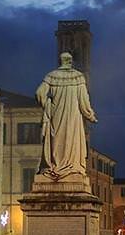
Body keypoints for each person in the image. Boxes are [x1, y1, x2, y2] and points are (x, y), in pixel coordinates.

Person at [35, 52, 97, 180]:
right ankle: (71, 168)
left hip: (56, 117)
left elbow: (39, 93)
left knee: (57, 142)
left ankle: (56, 166)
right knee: (71, 142)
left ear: (60, 61)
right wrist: (90, 115)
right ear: (71, 61)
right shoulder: (78, 77)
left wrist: (47, 105)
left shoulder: (51, 76)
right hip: (73, 119)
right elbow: (84, 101)